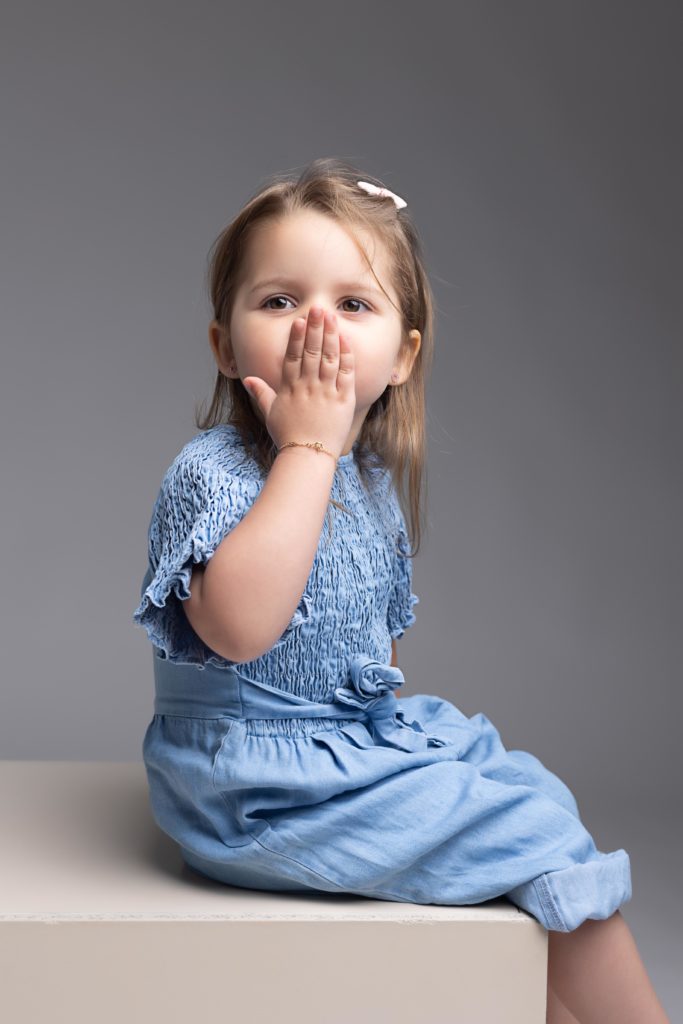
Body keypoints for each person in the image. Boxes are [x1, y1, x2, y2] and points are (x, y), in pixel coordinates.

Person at [133, 157, 669, 1023]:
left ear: (401, 355)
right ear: (225, 346)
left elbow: (371, 651)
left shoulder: (369, 480)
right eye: (279, 301)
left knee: (535, 794)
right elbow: (238, 631)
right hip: (252, 788)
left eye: (353, 303)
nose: (316, 324)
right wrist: (305, 451)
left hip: (341, 748)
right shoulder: (211, 475)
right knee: (535, 839)